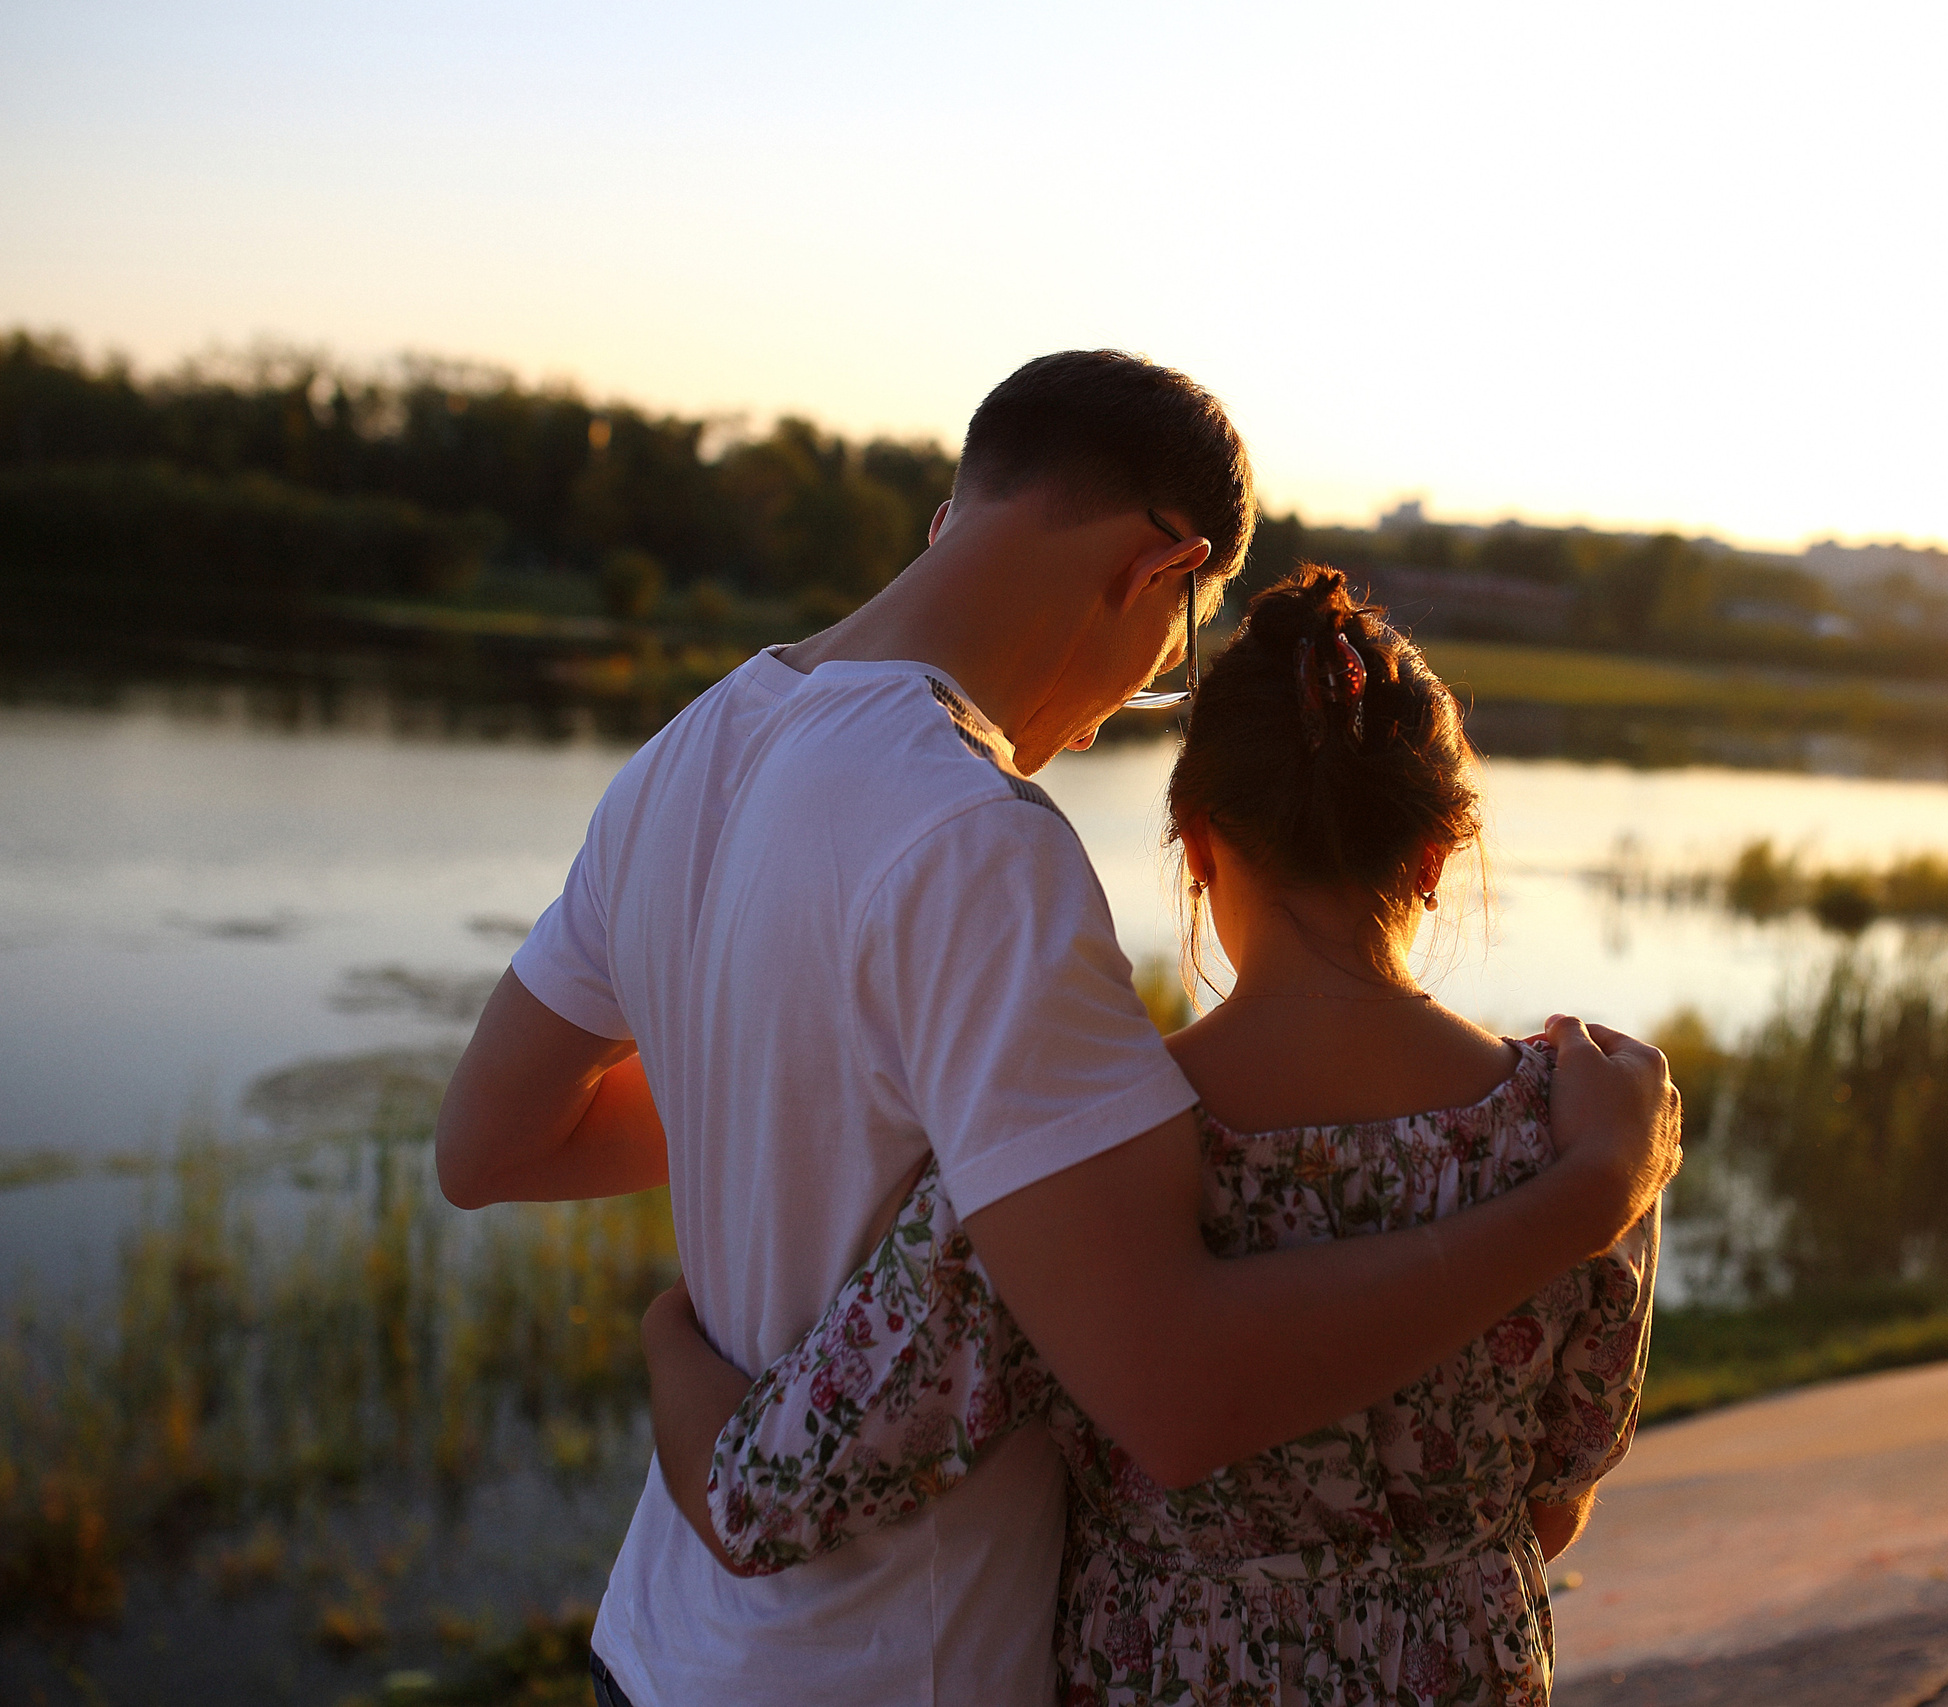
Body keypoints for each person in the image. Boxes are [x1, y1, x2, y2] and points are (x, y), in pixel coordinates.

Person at [432, 350, 1680, 1707]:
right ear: (1160, 568)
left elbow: (490, 1141)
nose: (1101, 731)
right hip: (889, 1669)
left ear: (951, 516)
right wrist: (1586, 1198)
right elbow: (1179, 1390)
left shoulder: (687, 753)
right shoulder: (976, 838)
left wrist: (768, 1154)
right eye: (1170, 650)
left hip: (665, 1643)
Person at [644, 567, 1659, 1705]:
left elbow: (773, 1494)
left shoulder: (1081, 1139)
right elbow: (1558, 1497)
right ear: (1434, 858)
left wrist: (667, 1331)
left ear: (1198, 840)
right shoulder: (1586, 1132)